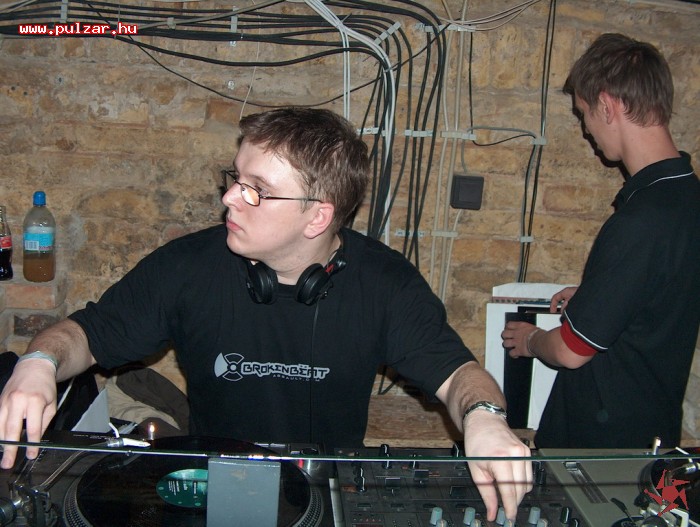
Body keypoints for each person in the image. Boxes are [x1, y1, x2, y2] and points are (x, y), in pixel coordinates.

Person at [0, 107, 531, 521]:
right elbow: (87, 334)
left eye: (257, 190)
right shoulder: (186, 267)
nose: (231, 197)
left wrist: (485, 419)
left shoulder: (385, 284)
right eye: (236, 177)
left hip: (324, 497)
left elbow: (460, 375)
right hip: (212, 487)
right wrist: (39, 362)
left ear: (316, 217)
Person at [501, 33, 700, 449]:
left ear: (607, 106)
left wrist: (532, 341)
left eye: (584, 113)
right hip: (652, 431)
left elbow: (571, 350)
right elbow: (663, 292)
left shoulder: (641, 220)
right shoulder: (687, 196)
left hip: (600, 452)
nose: (586, 129)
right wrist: (597, 296)